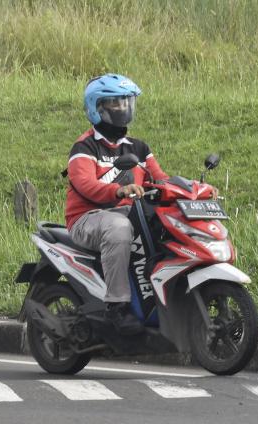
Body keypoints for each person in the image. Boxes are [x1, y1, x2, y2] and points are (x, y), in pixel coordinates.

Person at [65, 73, 169, 335]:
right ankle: (117, 307)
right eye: (114, 103)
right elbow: (85, 184)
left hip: (128, 213)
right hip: (88, 218)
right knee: (119, 227)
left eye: (126, 102)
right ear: (96, 108)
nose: (122, 109)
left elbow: (161, 179)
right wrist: (118, 190)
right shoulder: (85, 147)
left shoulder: (139, 147)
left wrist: (194, 190)